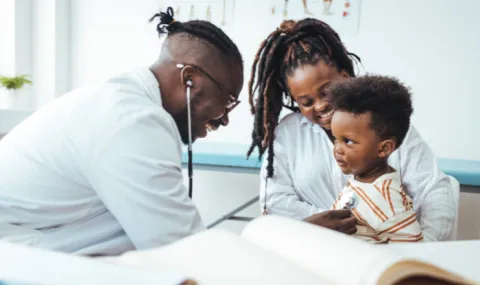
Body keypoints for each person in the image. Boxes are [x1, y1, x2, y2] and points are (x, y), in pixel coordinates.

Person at [0, 7, 244, 255]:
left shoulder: (122, 102)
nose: (224, 119)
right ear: (189, 79)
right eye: (228, 100)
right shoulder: (135, 122)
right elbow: (181, 249)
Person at [247, 18, 455, 241]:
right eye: (306, 102)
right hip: (317, 250)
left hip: (388, 253)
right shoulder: (288, 135)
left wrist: (426, 250)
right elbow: (275, 203)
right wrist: (332, 224)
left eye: (326, 91)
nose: (320, 105)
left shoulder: (383, 124)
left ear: (345, 76)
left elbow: (434, 192)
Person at [329, 75, 423, 243]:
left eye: (348, 141)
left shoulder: (385, 201)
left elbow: (414, 251)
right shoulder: (362, 181)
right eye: (335, 139)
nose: (337, 149)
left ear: (384, 148)